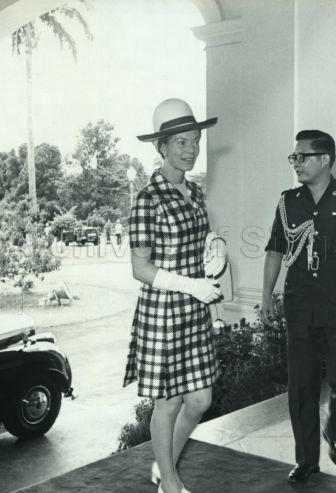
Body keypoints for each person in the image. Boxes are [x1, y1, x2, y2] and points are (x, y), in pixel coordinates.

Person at [259, 130, 336, 483]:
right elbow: (274, 251)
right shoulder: (288, 202)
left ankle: (335, 425)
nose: (295, 163)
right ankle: (306, 460)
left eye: (302, 156)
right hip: (300, 305)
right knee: (302, 386)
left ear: (324, 159)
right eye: (293, 157)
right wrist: (267, 295)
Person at [124, 98, 227, 493]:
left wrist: (214, 247)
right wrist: (190, 285)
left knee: (200, 400)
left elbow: (200, 241)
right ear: (161, 148)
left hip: (195, 308)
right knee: (167, 403)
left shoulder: (196, 193)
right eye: (180, 142)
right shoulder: (147, 199)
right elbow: (140, 267)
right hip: (164, 311)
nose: (189, 149)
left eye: (194, 141)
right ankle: (169, 481)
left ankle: (164, 463)